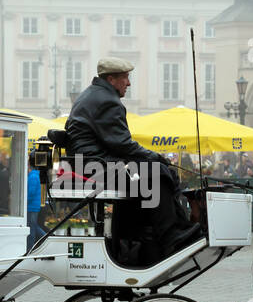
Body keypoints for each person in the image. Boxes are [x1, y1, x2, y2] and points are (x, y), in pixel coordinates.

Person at [65, 57, 200, 251]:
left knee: (152, 172)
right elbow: (122, 144)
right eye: (125, 78)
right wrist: (154, 156)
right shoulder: (107, 101)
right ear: (111, 80)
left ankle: (138, 235)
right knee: (157, 174)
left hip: (91, 163)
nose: (128, 83)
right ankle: (170, 235)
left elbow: (117, 144)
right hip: (96, 167)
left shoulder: (93, 95)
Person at [26, 153, 45, 250]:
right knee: (33, 226)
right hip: (33, 206)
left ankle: (30, 249)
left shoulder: (32, 176)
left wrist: (24, 202)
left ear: (28, 165)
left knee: (31, 229)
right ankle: (47, 238)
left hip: (31, 207)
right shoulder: (33, 175)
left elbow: (31, 193)